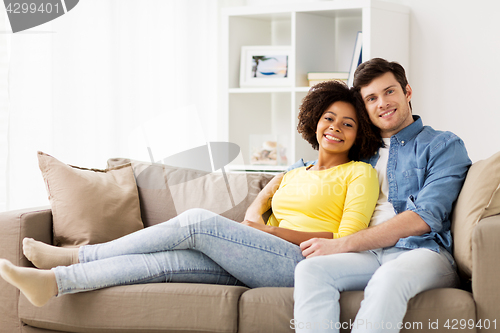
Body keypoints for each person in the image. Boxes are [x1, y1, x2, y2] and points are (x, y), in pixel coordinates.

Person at [0, 81, 382, 308]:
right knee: (166, 263)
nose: (336, 128)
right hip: (259, 257)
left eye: (348, 123)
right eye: (329, 118)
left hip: (303, 266)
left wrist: (270, 233)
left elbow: (345, 239)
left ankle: (79, 255)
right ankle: (54, 283)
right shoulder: (296, 171)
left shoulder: (360, 174)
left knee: (196, 221)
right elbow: (261, 204)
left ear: (358, 134)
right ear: (315, 120)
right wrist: (254, 214)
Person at [292, 58, 472, 333]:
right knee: (310, 270)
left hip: (422, 251)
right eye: (371, 98)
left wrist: (342, 244)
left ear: (407, 92)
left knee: (389, 277)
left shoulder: (443, 145)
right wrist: (268, 191)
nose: (382, 103)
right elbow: (313, 171)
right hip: (368, 253)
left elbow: (425, 217)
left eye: (389, 92)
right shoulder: (360, 152)